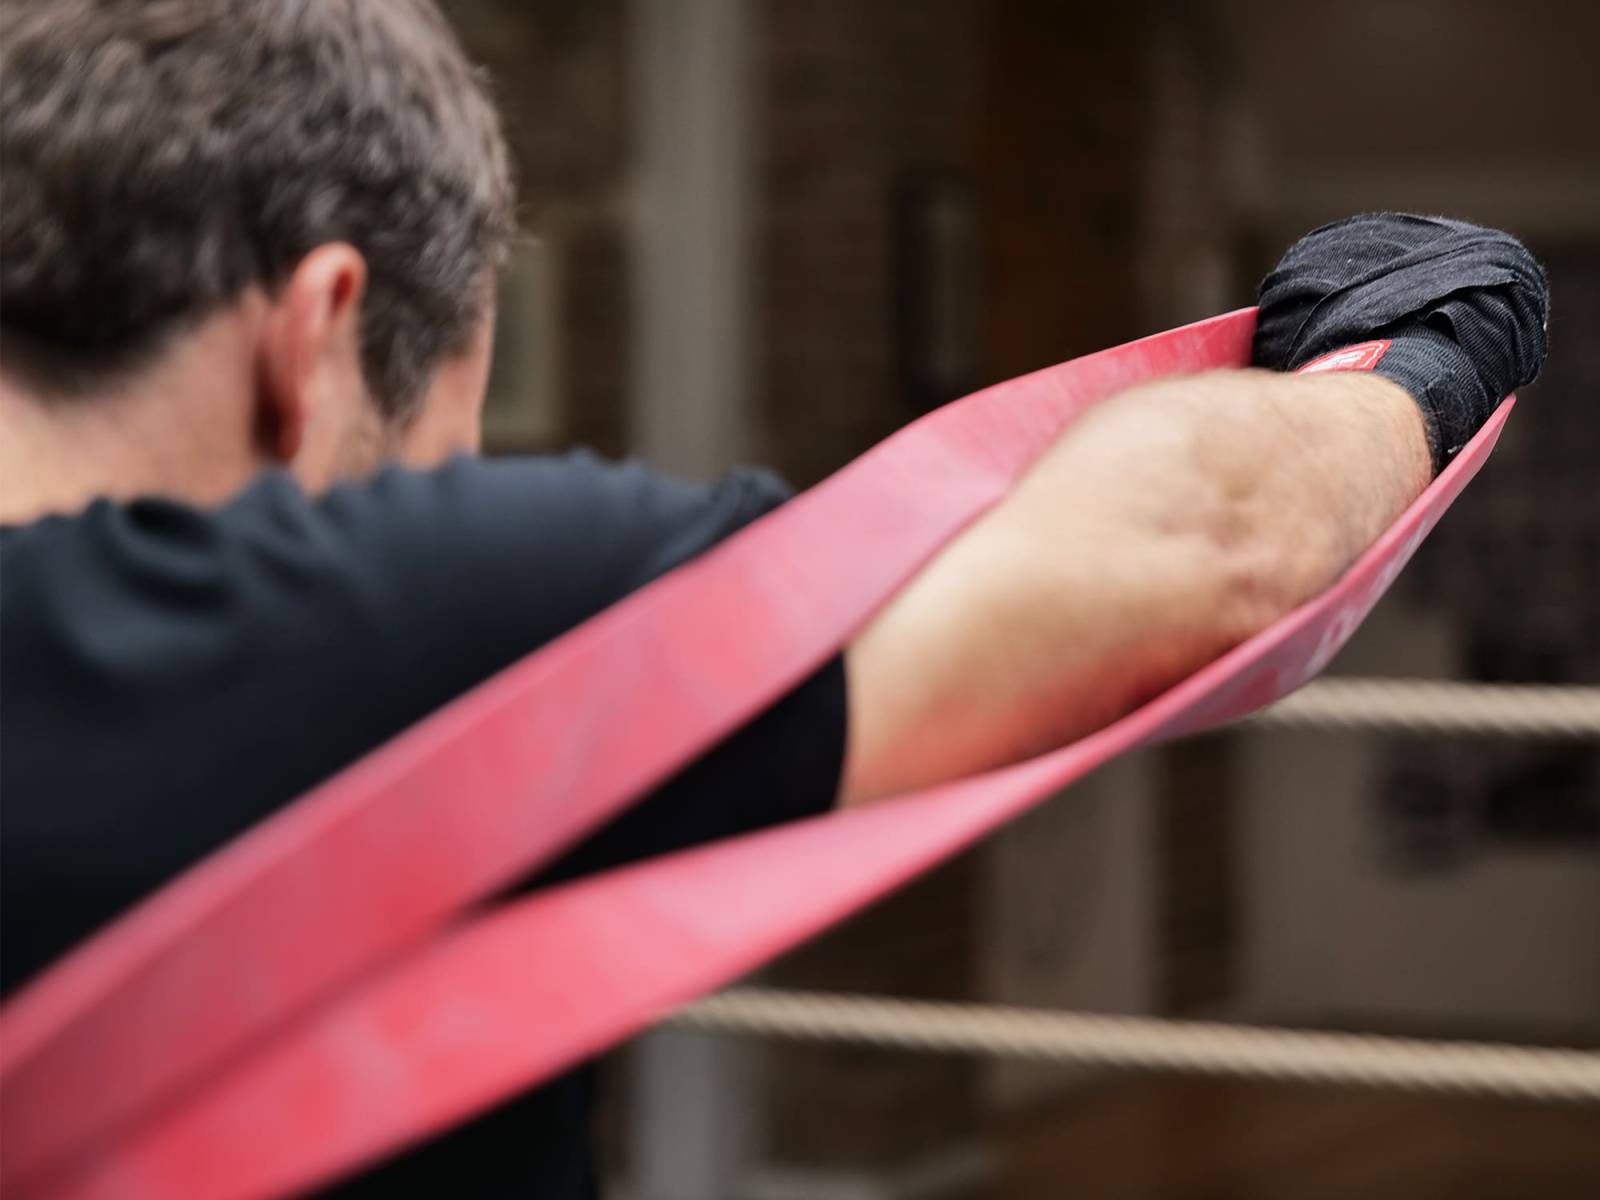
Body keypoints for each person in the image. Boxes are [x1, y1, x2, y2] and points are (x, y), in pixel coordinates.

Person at [0, 1, 1547, 1196]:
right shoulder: (371, 631)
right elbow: (1213, 550)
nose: (434, 498)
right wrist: (1446, 315)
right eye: (428, 460)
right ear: (318, 338)